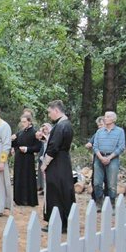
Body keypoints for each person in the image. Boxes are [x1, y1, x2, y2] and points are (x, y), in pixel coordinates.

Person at [41, 100, 75, 233]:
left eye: (50, 112)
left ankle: (57, 223)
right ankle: (66, 221)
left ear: (56, 110)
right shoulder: (67, 124)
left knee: (55, 191)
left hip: (56, 163)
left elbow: (53, 147)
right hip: (64, 161)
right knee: (64, 191)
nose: (49, 115)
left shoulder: (61, 126)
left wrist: (44, 164)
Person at [92, 111, 126, 209]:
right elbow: (95, 146)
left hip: (113, 159)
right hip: (99, 158)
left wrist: (109, 157)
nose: (105, 118)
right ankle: (99, 203)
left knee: (111, 183)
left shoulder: (119, 131)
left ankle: (112, 204)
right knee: (97, 183)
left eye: (107, 117)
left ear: (113, 119)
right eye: (105, 116)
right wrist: (101, 157)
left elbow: (121, 147)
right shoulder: (99, 131)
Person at [11, 114, 42, 206]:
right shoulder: (20, 133)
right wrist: (13, 140)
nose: (23, 123)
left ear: (29, 121)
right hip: (19, 159)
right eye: (22, 122)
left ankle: (29, 200)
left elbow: (38, 147)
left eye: (24, 121)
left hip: (28, 159)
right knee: (19, 177)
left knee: (28, 178)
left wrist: (27, 149)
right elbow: (15, 144)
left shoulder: (35, 133)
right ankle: (19, 200)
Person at [36, 123, 52, 194]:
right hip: (43, 157)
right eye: (44, 129)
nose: (45, 131)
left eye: (46, 129)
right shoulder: (43, 138)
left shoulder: (51, 136)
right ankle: (43, 188)